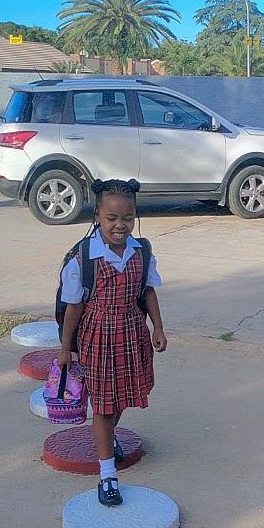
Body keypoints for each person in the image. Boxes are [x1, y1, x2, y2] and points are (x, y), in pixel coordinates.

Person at [55, 178, 167, 507]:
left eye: (127, 218)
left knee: (121, 398)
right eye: (111, 218)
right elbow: (73, 307)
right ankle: (107, 476)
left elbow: (148, 291)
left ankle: (109, 436)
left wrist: (158, 328)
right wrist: (65, 349)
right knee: (104, 405)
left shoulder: (141, 252)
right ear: (97, 217)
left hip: (132, 334)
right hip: (98, 338)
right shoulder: (83, 259)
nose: (120, 225)